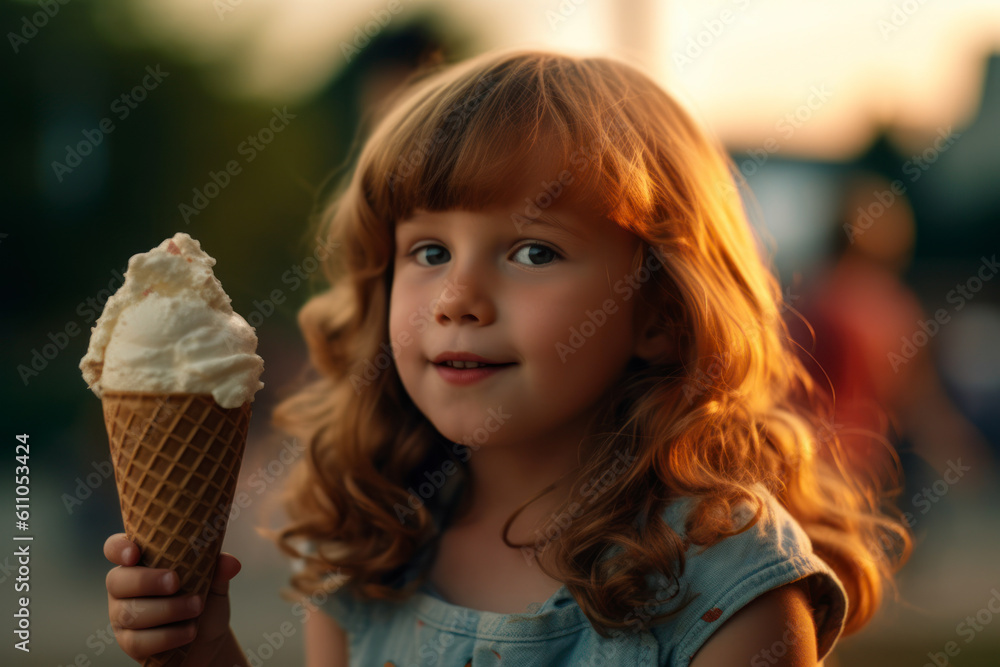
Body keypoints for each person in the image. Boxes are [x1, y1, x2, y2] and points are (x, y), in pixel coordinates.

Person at [103, 47, 913, 666]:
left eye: (531, 252)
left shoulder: (730, 590)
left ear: (661, 314)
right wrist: (203, 653)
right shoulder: (367, 548)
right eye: (427, 250)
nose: (458, 295)